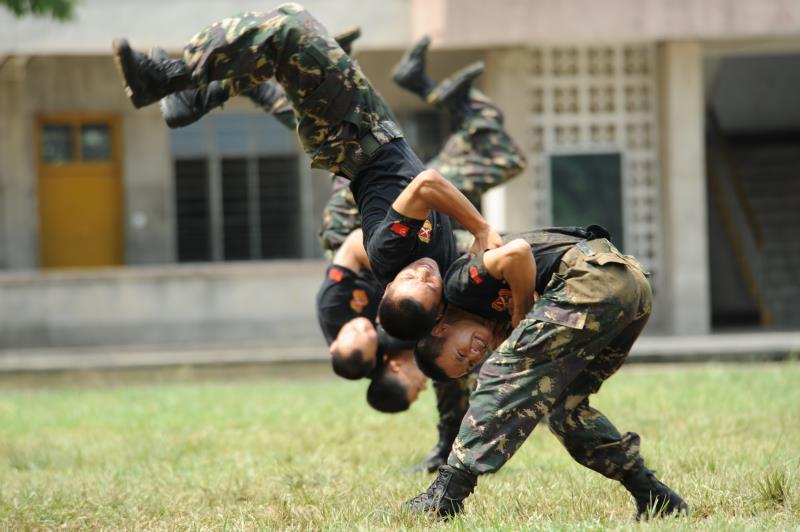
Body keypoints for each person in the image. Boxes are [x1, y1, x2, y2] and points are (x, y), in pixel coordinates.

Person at [112, 3, 505, 343]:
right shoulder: (442, 270)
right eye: (428, 287)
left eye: (411, 282)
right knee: (281, 56)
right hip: (376, 128)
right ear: (438, 305)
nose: (423, 275)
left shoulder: (389, 252)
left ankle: (165, 80)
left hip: (347, 135)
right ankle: (191, 100)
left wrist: (481, 227)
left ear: (386, 290)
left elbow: (428, 184)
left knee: (289, 26)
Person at [406, 228, 689, 519]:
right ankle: (654, 496)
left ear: (442, 329)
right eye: (468, 364)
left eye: (461, 354)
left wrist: (522, 311)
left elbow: (517, 252)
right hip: (630, 288)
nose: (474, 356)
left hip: (592, 279)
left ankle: (447, 492)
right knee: (564, 411)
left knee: (500, 373)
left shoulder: (460, 284)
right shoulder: (490, 318)